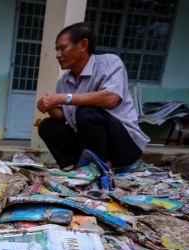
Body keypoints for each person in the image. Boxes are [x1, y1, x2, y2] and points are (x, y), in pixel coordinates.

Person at [36, 22, 149, 170]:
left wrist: (63, 98)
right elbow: (63, 116)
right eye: (57, 49)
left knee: (86, 112)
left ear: (83, 45)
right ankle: (77, 167)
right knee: (47, 126)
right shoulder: (64, 81)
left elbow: (111, 99)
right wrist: (49, 106)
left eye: (62, 48)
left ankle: (104, 167)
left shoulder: (110, 63)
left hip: (124, 146)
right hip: (89, 143)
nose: (58, 55)